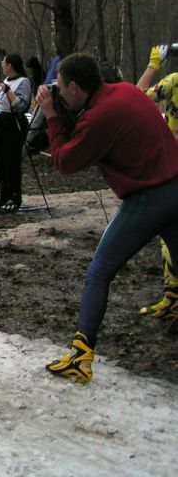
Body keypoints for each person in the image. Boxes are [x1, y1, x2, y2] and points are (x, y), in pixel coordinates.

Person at [36, 53, 178, 383]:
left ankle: (81, 357)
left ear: (73, 86)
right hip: (174, 187)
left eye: (59, 86)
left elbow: (65, 162)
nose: (57, 92)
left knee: (99, 272)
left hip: (149, 198)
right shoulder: (127, 91)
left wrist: (51, 117)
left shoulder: (99, 116)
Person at [136, 44, 178, 321]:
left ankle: (172, 297)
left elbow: (136, 98)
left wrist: (154, 64)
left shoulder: (175, 81)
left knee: (170, 235)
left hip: (174, 166)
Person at [0, 53, 32, 212]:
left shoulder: (23, 82)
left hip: (12, 128)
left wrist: (7, 90)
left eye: (4, 63)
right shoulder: (6, 81)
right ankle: (4, 196)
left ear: (10, 65)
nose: (2, 65)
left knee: (10, 162)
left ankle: (15, 196)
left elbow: (21, 105)